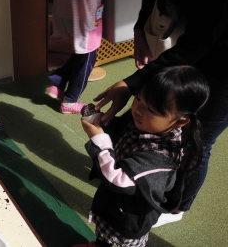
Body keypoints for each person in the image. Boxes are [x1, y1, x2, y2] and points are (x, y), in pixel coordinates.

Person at [94, 0, 228, 226]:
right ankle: (155, 178)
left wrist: (130, 84)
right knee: (160, 113)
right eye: (138, 102)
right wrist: (139, 29)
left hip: (222, 62)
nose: (137, 109)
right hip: (196, 45)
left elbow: (199, 41)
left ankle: (176, 207)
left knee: (200, 141)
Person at [80, 66, 209, 247]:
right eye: (138, 99)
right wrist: (102, 123)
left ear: (180, 121)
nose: (138, 110)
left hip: (128, 218)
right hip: (116, 206)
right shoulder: (148, 124)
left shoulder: (162, 156)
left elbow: (119, 179)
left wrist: (98, 138)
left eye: (152, 110)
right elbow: (122, 135)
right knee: (103, 236)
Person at [45, 0, 136, 114]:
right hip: (83, 5)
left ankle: (57, 81)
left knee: (81, 51)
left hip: (65, 1)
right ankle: (70, 100)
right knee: (89, 54)